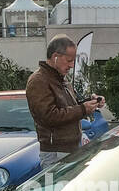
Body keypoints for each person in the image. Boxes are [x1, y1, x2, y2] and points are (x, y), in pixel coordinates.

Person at [25, 35, 102, 170]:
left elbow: (71, 105)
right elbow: (48, 116)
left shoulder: (61, 79)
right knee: (56, 190)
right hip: (56, 152)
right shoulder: (38, 81)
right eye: (69, 60)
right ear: (55, 56)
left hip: (69, 148)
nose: (72, 65)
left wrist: (91, 102)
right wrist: (83, 109)